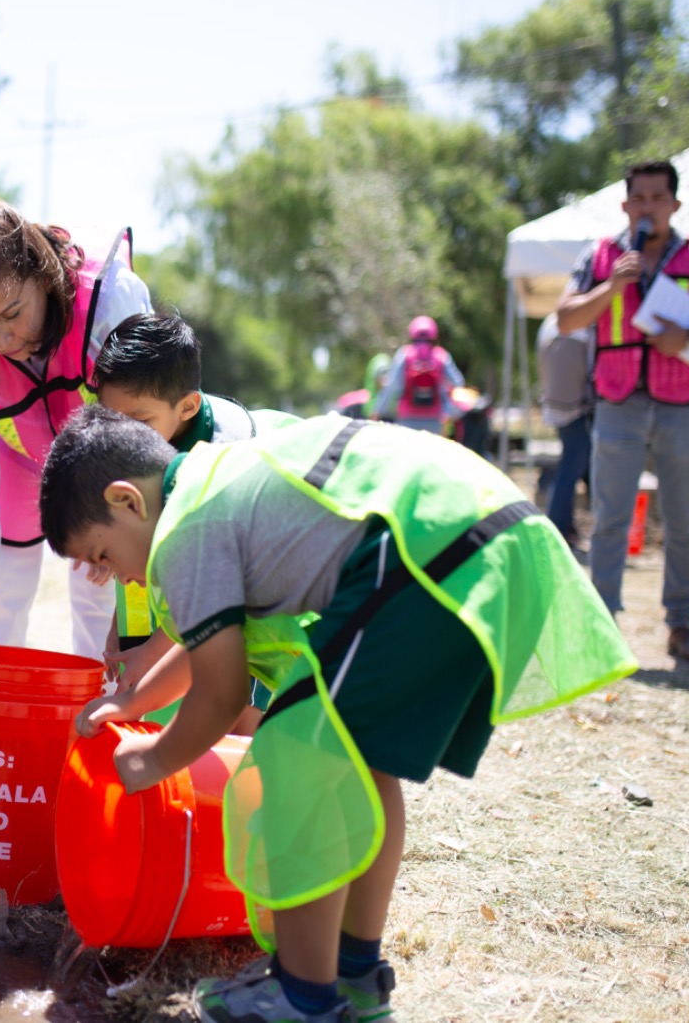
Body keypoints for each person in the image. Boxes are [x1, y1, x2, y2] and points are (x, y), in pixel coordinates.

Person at [39, 406, 635, 1023]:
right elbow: (211, 644)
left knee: (296, 755)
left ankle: (300, 993)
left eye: (102, 555)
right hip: (489, 537)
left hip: (426, 551)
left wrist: (157, 758)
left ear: (127, 501)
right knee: (361, 769)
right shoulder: (217, 481)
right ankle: (354, 975)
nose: (117, 579)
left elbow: (222, 691)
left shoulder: (187, 528)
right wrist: (134, 700)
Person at [0, 199, 153, 657]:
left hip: (107, 452)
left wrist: (119, 521)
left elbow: (145, 422)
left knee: (98, 589)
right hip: (16, 455)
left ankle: (103, 710)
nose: (2, 342)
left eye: (12, 313)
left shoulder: (110, 299)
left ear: (42, 273)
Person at [555, 159, 689, 662]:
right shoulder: (601, 257)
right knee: (609, 517)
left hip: (684, 402)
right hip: (618, 401)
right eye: (638, 198)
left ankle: (681, 626)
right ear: (625, 205)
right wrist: (612, 289)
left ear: (674, 204)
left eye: (657, 198)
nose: (647, 207)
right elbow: (564, 318)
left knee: (684, 519)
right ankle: (601, 626)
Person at [91, 311, 296, 729]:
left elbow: (217, 593)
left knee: (236, 703)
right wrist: (125, 633)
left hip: (266, 577)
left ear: (187, 407)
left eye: (139, 422)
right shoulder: (132, 442)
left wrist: (152, 652)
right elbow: (132, 548)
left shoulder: (225, 463)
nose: (123, 436)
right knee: (158, 704)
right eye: (112, 420)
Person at [537, 312, 594, 553]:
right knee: (570, 470)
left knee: (571, 468)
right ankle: (558, 528)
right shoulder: (587, 323)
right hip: (579, 410)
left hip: (558, 408)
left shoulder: (550, 322)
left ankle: (565, 527)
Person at [372, 316, 465, 433]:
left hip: (407, 419)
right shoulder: (441, 356)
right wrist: (451, 411)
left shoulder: (404, 354)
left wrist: (378, 411)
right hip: (435, 420)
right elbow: (458, 383)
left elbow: (391, 385)